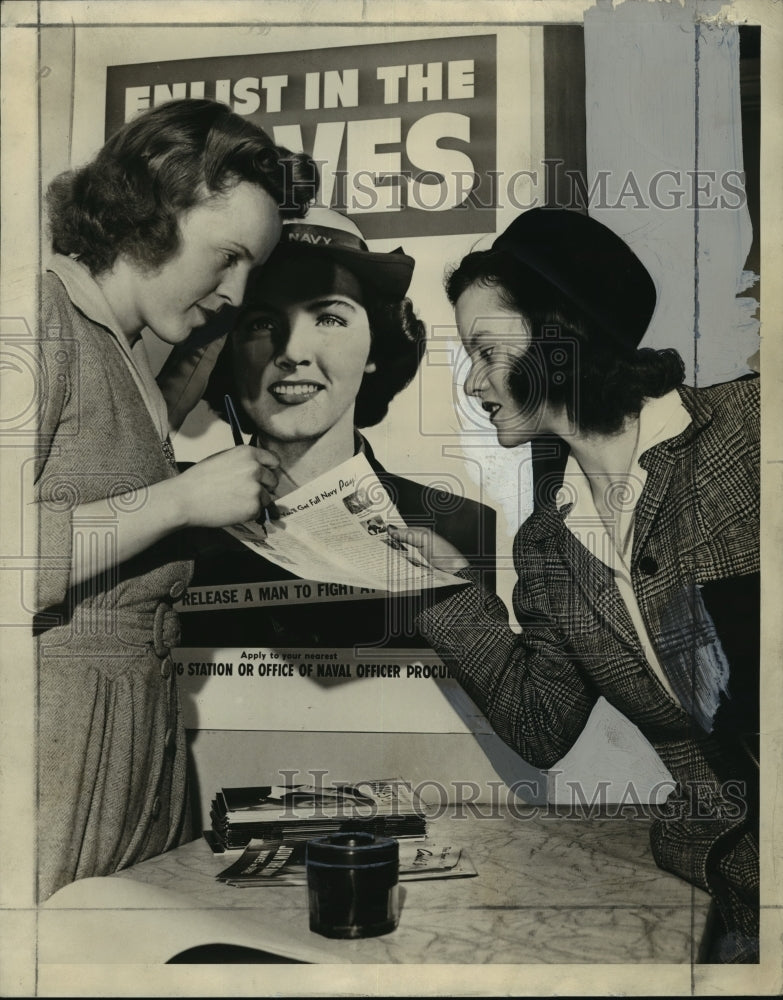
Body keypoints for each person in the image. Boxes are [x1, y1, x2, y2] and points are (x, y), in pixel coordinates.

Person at [407, 207, 760, 963]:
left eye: (485, 351)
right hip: (737, 895)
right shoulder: (547, 546)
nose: (474, 383)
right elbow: (539, 725)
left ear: (560, 336)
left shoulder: (754, 429)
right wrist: (439, 587)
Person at [35, 97, 317, 900]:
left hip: (139, 732)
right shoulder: (34, 322)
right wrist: (179, 502)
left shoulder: (118, 349)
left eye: (251, 270)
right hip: (54, 747)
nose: (234, 291)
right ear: (153, 211)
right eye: (226, 256)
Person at [158, 206, 495, 658]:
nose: (293, 351)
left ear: (375, 345)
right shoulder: (168, 512)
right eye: (261, 323)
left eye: (330, 318)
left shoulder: (463, 527)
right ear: (226, 350)